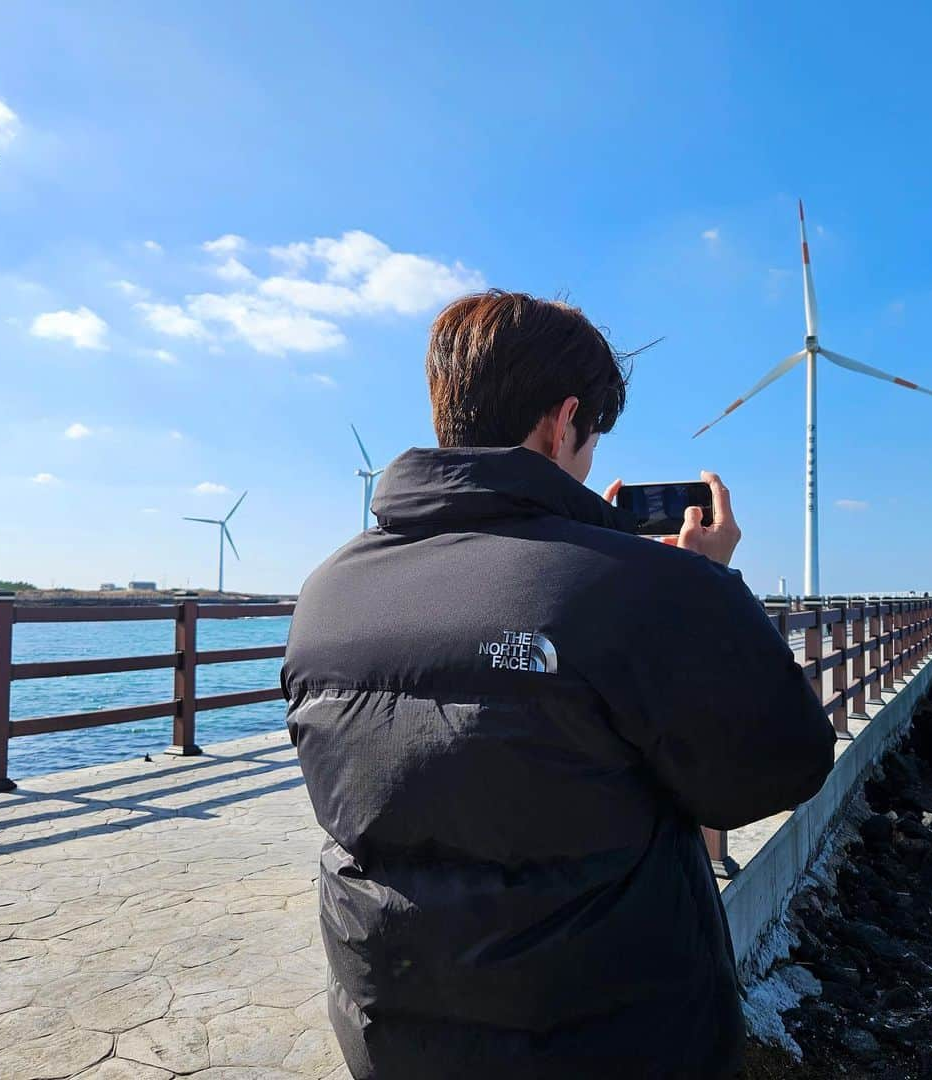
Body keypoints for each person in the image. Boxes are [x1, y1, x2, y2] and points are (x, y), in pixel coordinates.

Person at [281, 290, 836, 1079]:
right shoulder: (648, 587)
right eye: (590, 440)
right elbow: (779, 764)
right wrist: (709, 588)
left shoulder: (327, 591)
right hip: (614, 1041)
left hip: (391, 1035)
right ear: (562, 420)